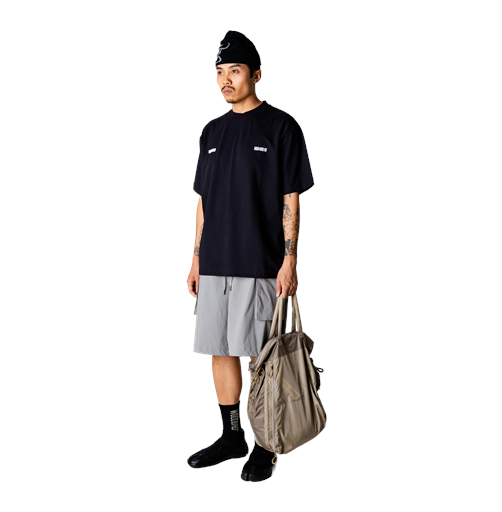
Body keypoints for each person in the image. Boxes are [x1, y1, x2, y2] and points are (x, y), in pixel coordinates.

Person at [186, 30, 314, 482]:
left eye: (235, 71)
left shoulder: (281, 127)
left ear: (256, 75)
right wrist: (196, 258)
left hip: (259, 262)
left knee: (263, 356)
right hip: (215, 262)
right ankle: (232, 436)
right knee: (220, 350)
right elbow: (204, 201)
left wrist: (290, 260)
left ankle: (265, 442)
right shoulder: (211, 132)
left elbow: (290, 198)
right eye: (220, 72)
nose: (226, 80)